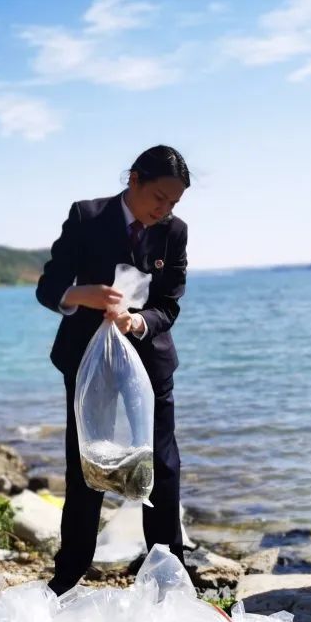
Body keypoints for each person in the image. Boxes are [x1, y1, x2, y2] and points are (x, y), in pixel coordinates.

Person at [36, 144, 190, 595]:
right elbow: (49, 287)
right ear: (134, 179)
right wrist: (79, 295)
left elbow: (169, 303)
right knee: (88, 463)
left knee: (161, 463)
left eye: (174, 203)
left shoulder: (174, 231)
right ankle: (68, 575)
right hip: (88, 360)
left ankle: (168, 572)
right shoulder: (87, 216)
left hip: (148, 357)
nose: (164, 210)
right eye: (159, 198)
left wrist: (138, 321)